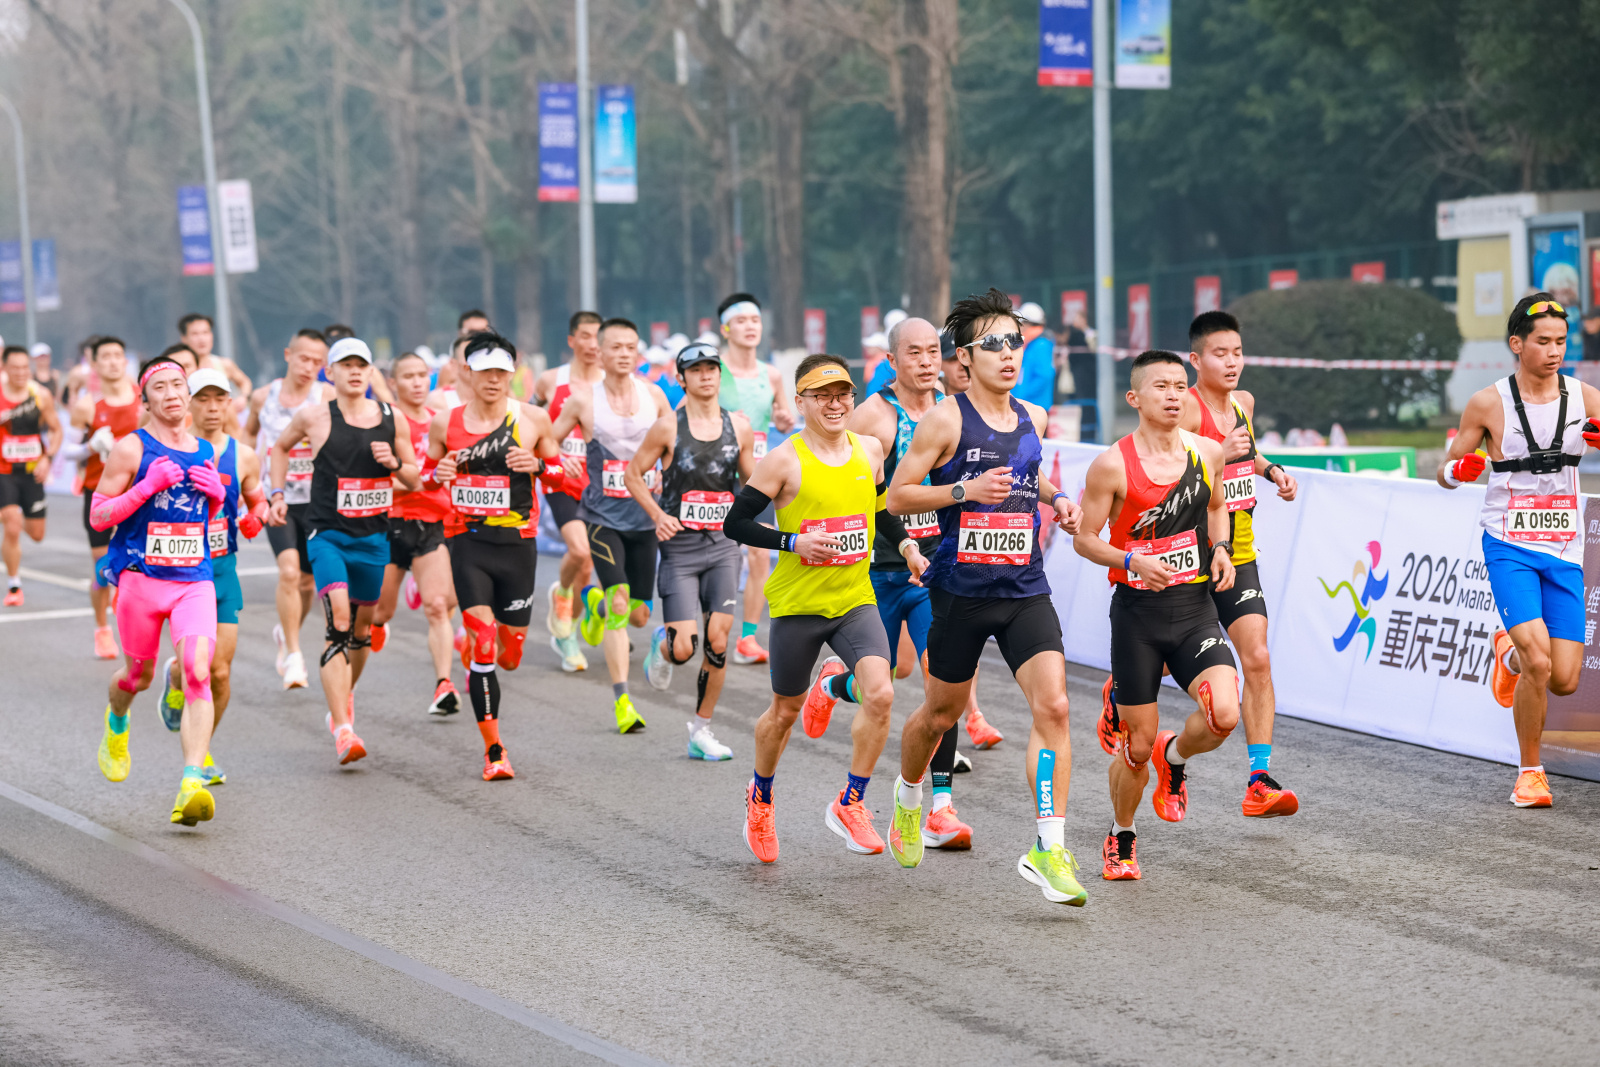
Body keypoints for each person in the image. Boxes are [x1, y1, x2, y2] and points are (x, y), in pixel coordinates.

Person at [884, 289, 1084, 905]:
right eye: (993, 343)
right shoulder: (945, 419)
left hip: (1024, 586)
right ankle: (908, 796)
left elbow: (1027, 471)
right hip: (960, 591)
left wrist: (1056, 498)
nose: (1008, 353)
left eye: (1014, 341)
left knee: (1054, 707)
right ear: (965, 358)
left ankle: (1048, 846)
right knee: (940, 715)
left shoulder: (1034, 416)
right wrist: (963, 492)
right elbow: (897, 496)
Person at [725, 353, 913, 863]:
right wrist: (793, 542)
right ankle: (761, 797)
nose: (834, 404)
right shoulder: (783, 460)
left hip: (854, 599)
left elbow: (879, 510)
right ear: (801, 401)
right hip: (798, 605)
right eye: (821, 396)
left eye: (842, 394)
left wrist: (908, 546)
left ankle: (851, 802)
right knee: (784, 712)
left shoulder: (870, 449)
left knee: (881, 693)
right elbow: (735, 523)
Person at [1075, 350, 1242, 882]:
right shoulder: (1111, 465)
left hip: (1194, 609)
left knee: (1224, 715)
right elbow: (1084, 539)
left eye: (1179, 385)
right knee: (1136, 746)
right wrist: (1132, 561)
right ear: (1135, 398)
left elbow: (1216, 506)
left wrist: (1221, 548)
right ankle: (1121, 836)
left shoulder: (1207, 452)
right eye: (1161, 386)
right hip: (1138, 617)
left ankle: (1176, 757)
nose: (1173, 395)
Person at [1438, 293, 1598, 808]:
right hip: (1509, 543)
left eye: (1561, 341)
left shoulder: (1586, 397)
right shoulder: (1488, 403)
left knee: (1564, 680)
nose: (1555, 351)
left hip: (1564, 546)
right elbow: (1446, 469)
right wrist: (1458, 470)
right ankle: (1531, 773)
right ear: (1516, 343)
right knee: (1539, 660)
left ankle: (1504, 650)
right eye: (1543, 341)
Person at [844, 317, 986, 851]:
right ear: (891, 360)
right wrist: (900, 544)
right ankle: (833, 687)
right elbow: (855, 493)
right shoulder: (873, 417)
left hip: (937, 572)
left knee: (941, 683)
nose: (927, 362)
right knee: (876, 688)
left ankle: (941, 809)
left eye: (933, 352)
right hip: (877, 572)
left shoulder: (955, 411)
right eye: (914, 353)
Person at [1155, 310, 1302, 817]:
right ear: (1196, 361)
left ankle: (1258, 780)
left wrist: (1272, 470)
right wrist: (1220, 448)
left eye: (1237, 352)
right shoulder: (1186, 410)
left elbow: (1246, 457)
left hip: (1238, 554)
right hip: (1186, 561)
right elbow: (1167, 476)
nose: (1232, 362)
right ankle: (1125, 697)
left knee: (1257, 657)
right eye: (1220, 354)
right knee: (1159, 664)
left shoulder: (1244, 404)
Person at [89, 354, 227, 826]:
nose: (172, 394)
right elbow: (99, 515)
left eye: (178, 385)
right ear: (145, 400)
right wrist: (144, 488)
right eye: (160, 387)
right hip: (141, 580)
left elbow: (199, 517)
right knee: (137, 676)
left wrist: (217, 497)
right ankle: (117, 722)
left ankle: (191, 781)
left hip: (193, 579)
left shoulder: (205, 450)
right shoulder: (131, 449)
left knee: (198, 671)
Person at [268, 337, 419, 765]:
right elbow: (279, 447)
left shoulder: (392, 418)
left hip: (372, 539)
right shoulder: (314, 416)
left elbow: (415, 479)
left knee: (361, 631)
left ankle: (343, 696)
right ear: (329, 372)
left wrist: (394, 464)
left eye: (361, 365)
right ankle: (343, 729)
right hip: (327, 534)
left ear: (370, 372)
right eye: (345, 365)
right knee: (338, 619)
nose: (354, 372)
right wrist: (277, 493)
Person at [427, 332, 560, 779]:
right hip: (467, 542)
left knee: (510, 656)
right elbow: (424, 477)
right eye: (485, 371)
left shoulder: (533, 419)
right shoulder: (445, 423)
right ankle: (494, 751)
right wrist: (437, 473)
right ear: (468, 372)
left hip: (518, 546)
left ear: (512, 373)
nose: (494, 380)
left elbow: (565, 477)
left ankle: (480, 646)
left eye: (501, 371)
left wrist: (538, 466)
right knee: (484, 644)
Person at [628, 341, 755, 761]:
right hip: (680, 548)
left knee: (717, 641)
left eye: (711, 368)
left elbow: (754, 484)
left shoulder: (739, 427)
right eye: (695, 370)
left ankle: (701, 730)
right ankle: (662, 646)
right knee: (684, 649)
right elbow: (632, 474)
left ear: (719, 375)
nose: (705, 375)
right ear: (681, 378)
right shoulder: (667, 427)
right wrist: (656, 514)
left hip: (723, 546)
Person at [550, 317, 675, 733]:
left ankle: (594, 604)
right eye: (615, 347)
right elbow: (548, 439)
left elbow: (675, 441)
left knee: (639, 615)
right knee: (621, 603)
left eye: (630, 347)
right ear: (599, 353)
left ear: (638, 352)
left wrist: (667, 471)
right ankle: (623, 702)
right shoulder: (582, 401)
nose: (623, 354)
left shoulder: (654, 395)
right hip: (601, 518)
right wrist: (560, 459)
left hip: (644, 518)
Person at [156, 369, 267, 786]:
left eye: (220, 398)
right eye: (203, 398)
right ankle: (175, 679)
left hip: (222, 570)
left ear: (230, 403)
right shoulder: (168, 451)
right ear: (188, 402)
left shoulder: (244, 455)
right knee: (197, 670)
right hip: (181, 577)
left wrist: (257, 517)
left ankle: (200, 752)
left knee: (219, 673)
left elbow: (257, 502)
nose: (213, 407)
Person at [369, 351, 461, 718]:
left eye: (423, 375)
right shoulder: (383, 423)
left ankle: (444, 685)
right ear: (393, 383)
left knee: (438, 606)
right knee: (380, 610)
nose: (417, 382)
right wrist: (419, 481)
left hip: (432, 523)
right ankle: (378, 624)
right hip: (390, 524)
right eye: (408, 376)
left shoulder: (441, 422)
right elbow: (374, 483)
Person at [715, 293, 797, 665]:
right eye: (741, 320)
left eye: (755, 320)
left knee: (760, 553)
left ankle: (747, 637)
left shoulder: (772, 374)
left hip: (756, 476)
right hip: (717, 475)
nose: (750, 327)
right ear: (725, 329)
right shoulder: (713, 371)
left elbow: (783, 416)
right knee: (719, 555)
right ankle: (706, 624)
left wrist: (783, 419)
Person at [247, 328, 330, 689]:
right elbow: (249, 435)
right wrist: (246, 478)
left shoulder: (326, 396)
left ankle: (287, 631)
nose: (309, 367)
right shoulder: (262, 397)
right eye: (304, 358)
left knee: (307, 581)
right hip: (277, 498)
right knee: (289, 572)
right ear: (288, 355)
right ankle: (294, 654)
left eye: (317, 361)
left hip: (317, 500)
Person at [532, 311, 603, 671]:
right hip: (560, 481)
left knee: (587, 570)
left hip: (600, 487)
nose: (593, 344)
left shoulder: (612, 384)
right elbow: (530, 429)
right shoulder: (550, 381)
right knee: (580, 551)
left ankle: (568, 633)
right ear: (572, 340)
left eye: (598, 337)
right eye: (585, 336)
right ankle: (561, 593)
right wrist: (556, 457)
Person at [72, 336, 141, 659]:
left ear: (125, 361)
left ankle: (136, 624)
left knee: (137, 563)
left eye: (118, 355)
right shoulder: (87, 405)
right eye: (106, 356)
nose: (113, 361)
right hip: (99, 493)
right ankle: (102, 629)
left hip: (138, 491)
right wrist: (90, 446)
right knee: (102, 567)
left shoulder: (142, 398)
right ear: (95, 364)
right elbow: (68, 451)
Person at [1, 345, 62, 605]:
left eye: (25, 367)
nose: (20, 372)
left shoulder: (41, 395)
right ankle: (14, 586)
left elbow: (56, 429)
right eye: (15, 368)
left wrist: (47, 459)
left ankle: (10, 517)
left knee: (37, 534)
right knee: (12, 523)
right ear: (4, 368)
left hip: (31, 471)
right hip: (3, 471)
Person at [177, 312, 254, 400]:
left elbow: (245, 382)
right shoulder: (178, 367)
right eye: (195, 334)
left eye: (205, 332)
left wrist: (243, 398)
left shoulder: (224, 364)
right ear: (183, 338)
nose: (201, 339)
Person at [1014, 302, 1055, 411]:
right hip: (1028, 404)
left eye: (1021, 323)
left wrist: (1023, 394)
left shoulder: (1041, 344)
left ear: (1027, 323)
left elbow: (1045, 375)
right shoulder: (1031, 343)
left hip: (1035, 406)